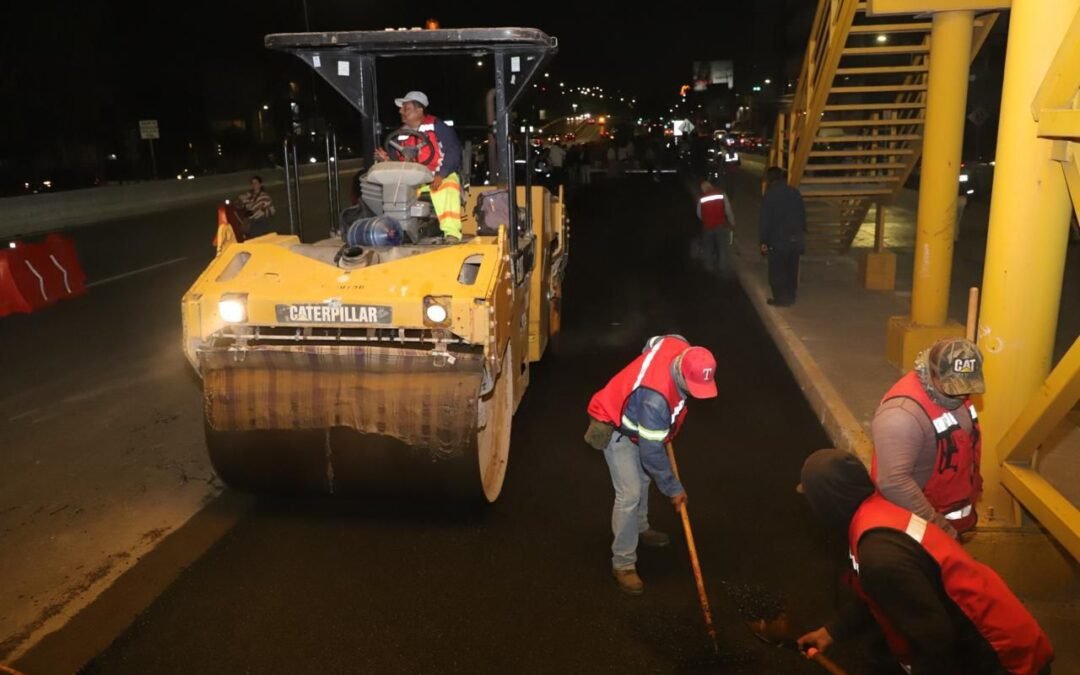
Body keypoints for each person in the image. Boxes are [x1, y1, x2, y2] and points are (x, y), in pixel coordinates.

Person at [796, 449, 1053, 675]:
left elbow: (935, 641)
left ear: (828, 502)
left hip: (999, 657)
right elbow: (885, 595)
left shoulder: (878, 555)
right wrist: (832, 632)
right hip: (997, 633)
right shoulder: (877, 514)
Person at [583, 335, 718, 595]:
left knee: (643, 479)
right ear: (681, 374)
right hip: (614, 423)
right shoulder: (655, 401)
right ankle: (623, 563)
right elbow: (651, 453)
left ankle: (641, 527)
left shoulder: (677, 344)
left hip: (637, 418)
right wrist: (673, 488)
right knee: (630, 493)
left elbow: (652, 343)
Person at [872, 338, 985, 539]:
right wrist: (940, 531)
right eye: (953, 387)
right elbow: (894, 482)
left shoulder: (950, 393)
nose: (961, 395)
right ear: (933, 373)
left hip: (954, 522)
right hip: (920, 533)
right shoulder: (901, 416)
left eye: (967, 386)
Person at [375, 91, 464, 240]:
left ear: (420, 110)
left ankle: (452, 234)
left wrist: (441, 175)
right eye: (402, 108)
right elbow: (395, 161)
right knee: (393, 191)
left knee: (448, 187)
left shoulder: (438, 127)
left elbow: (453, 151)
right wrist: (386, 160)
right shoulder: (399, 135)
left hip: (437, 175)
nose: (401, 111)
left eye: (406, 108)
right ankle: (397, 232)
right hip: (412, 180)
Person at [759, 167, 806, 306]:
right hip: (796, 238)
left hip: (778, 240)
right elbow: (802, 215)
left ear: (770, 180)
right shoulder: (795, 192)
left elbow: (765, 221)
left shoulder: (769, 196)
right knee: (792, 269)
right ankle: (791, 296)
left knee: (777, 270)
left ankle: (780, 299)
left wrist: (763, 241)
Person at [696, 180, 736, 277]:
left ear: (703, 189)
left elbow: (699, 214)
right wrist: (732, 222)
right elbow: (728, 209)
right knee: (722, 246)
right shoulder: (721, 194)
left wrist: (706, 219)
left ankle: (708, 266)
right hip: (721, 225)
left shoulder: (702, 198)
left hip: (707, 226)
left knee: (708, 247)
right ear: (711, 186)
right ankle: (722, 266)